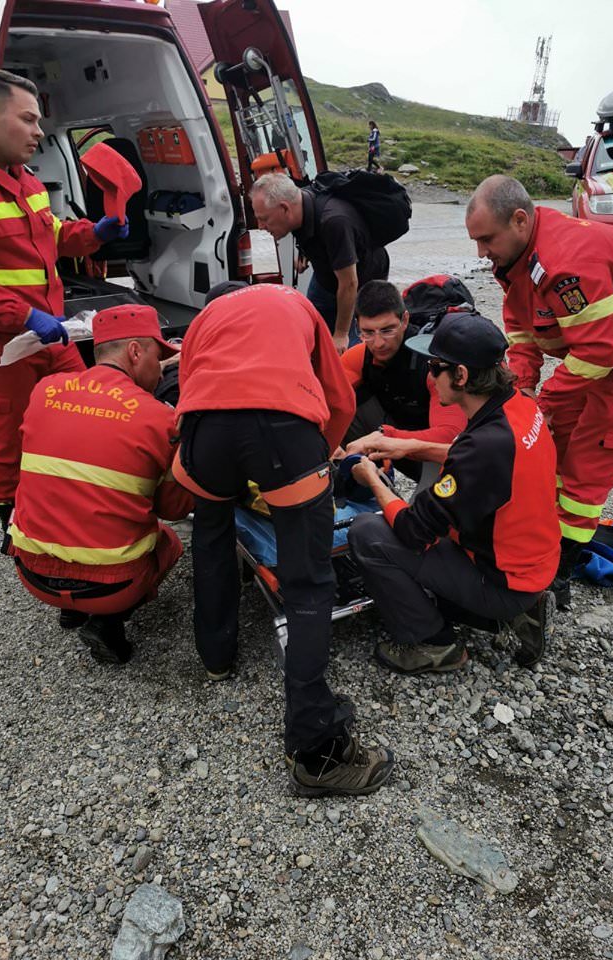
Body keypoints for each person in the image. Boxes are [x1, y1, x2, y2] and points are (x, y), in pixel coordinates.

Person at [174, 280, 394, 797]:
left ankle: (216, 658)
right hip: (281, 428)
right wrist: (320, 455)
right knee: (309, 582)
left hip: (205, 435)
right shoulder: (294, 302)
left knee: (210, 541)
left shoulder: (204, 321)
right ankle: (317, 751)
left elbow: (188, 391)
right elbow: (336, 394)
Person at [465, 175, 613, 604]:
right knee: (550, 441)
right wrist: (519, 397)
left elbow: (596, 354)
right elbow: (521, 335)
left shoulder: (565, 261)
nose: (481, 253)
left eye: (486, 240)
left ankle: (560, 567)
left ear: (520, 220)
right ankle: (541, 531)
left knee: (588, 459)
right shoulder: (518, 260)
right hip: (602, 351)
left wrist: (545, 404)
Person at [0, 69, 128, 531]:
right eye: (28, 119)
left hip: (51, 334)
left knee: (85, 413)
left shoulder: (25, 179)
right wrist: (24, 314)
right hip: (0, 348)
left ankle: (75, 504)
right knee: (8, 441)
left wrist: (92, 233)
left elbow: (49, 236)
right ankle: (19, 535)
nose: (38, 131)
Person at [348, 311, 561, 673]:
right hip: (530, 562)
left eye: (434, 367)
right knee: (425, 527)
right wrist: (409, 445)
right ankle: (520, 613)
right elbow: (482, 461)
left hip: (503, 580)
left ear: (460, 375)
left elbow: (414, 530)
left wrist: (370, 477)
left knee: (367, 533)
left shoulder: (484, 448)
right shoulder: (518, 407)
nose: (429, 377)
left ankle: (434, 644)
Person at [7, 304, 193, 664]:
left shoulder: (45, 390)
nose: (160, 368)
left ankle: (70, 611)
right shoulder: (159, 418)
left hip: (31, 574)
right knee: (167, 541)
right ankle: (107, 622)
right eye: (159, 357)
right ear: (136, 352)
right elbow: (172, 508)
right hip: (112, 587)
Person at [250, 172, 389, 354]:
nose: (260, 226)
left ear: (284, 209)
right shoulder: (300, 201)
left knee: (348, 350)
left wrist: (341, 334)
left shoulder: (334, 222)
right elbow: (308, 230)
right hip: (326, 275)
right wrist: (305, 254)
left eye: (264, 219)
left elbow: (349, 283)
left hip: (360, 283)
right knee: (310, 329)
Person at [339, 279, 466, 479]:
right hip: (397, 439)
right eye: (368, 332)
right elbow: (323, 402)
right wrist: (330, 447)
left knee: (432, 504)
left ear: (405, 320)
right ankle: (373, 482)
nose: (379, 343)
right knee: (342, 403)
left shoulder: (433, 363)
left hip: (444, 454)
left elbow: (450, 437)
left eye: (388, 330)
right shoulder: (359, 356)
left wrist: (385, 438)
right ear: (358, 326)